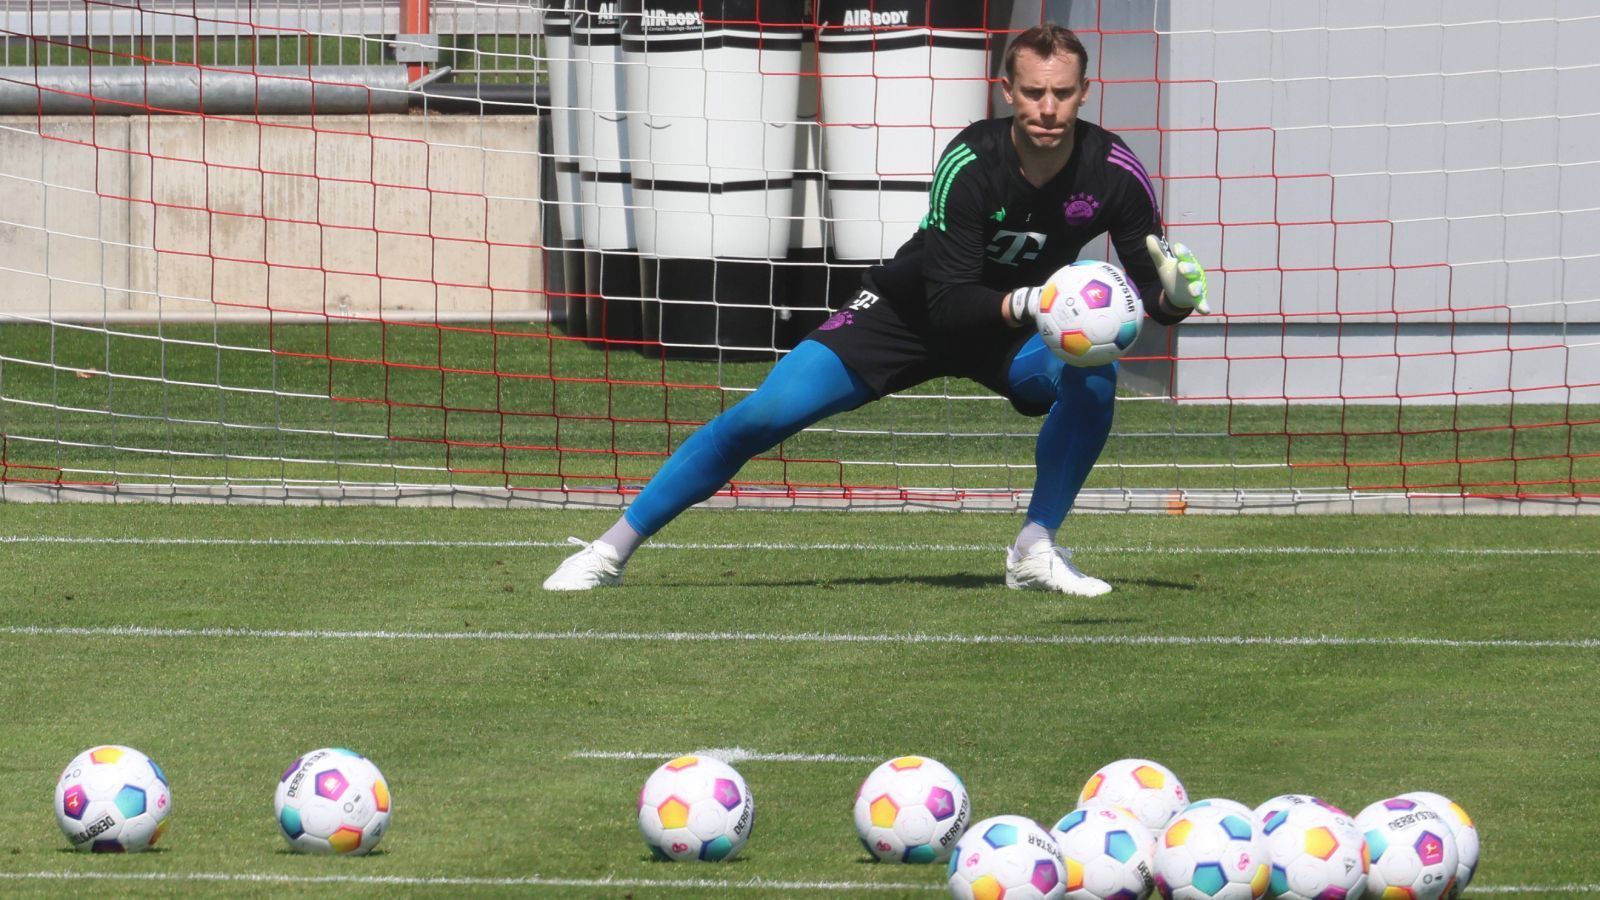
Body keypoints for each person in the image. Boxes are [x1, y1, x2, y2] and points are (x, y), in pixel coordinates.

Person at [544, 23, 1211, 595]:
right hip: (911, 312)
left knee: (1094, 372)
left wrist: (1171, 300)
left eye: (1062, 93)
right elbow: (950, 305)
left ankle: (1035, 549)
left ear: (1084, 93)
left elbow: (1143, 290)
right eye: (1033, 92)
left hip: (1019, 329)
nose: (1047, 108)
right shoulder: (971, 161)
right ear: (1007, 93)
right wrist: (1035, 301)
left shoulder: (1115, 169)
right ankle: (608, 551)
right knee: (764, 413)